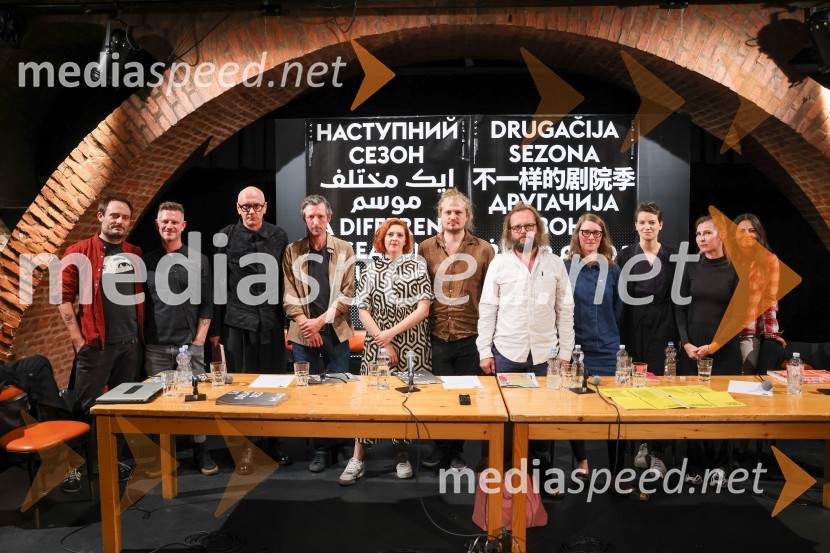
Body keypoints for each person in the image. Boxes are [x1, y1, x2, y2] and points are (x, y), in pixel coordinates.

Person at [476, 203, 576, 483]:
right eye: (517, 227)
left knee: (543, 422)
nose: (523, 231)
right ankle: (508, 483)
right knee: (507, 422)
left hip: (546, 357)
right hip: (507, 354)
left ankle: (542, 479)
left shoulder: (555, 263)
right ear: (509, 232)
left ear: (538, 229)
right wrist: (484, 351)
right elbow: (488, 309)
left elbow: (565, 310)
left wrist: (566, 352)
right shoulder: (500, 263)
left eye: (528, 226)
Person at [59, 194, 144, 490]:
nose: (119, 221)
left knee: (120, 406)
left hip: (130, 344)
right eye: (114, 215)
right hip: (96, 346)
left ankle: (112, 459)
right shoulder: (79, 252)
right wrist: (77, 339)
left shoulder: (134, 252)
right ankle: (75, 467)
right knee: (85, 408)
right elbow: (63, 298)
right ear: (101, 216)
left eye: (125, 217)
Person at [339, 219, 433, 486]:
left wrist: (391, 334)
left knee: (406, 401)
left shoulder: (417, 265)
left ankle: (402, 453)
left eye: (400, 235)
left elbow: (423, 308)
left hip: (412, 344)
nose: (394, 238)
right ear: (382, 239)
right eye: (390, 234)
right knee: (368, 399)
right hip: (377, 346)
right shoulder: (370, 267)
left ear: (406, 240)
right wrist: (384, 342)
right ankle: (357, 457)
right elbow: (362, 309)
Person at [210, 186, 290, 472]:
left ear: (265, 207)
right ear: (238, 208)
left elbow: (286, 282)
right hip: (237, 324)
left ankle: (272, 442)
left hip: (271, 323)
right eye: (245, 207)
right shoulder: (225, 236)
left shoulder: (279, 236)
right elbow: (218, 284)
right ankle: (242, 449)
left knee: (273, 385)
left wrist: (287, 323)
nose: (251, 211)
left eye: (256, 206)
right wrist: (215, 330)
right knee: (239, 389)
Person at [419, 189, 494, 471]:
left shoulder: (484, 249)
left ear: (467, 216)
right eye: (448, 212)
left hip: (470, 335)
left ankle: (457, 452)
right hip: (436, 334)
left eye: (458, 212)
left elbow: (490, 297)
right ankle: (440, 447)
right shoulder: (425, 248)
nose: (453, 216)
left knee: (464, 396)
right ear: (440, 215)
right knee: (439, 396)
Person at [143, 202, 217, 476]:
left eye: (174, 221)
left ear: (183, 225)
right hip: (156, 346)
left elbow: (207, 303)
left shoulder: (198, 260)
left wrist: (199, 340)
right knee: (157, 401)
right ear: (157, 224)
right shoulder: (146, 261)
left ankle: (201, 449)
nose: (169, 226)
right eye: (165, 221)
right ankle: (161, 453)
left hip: (190, 345)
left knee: (196, 398)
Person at [283, 195, 355, 473]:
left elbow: (348, 294)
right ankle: (321, 450)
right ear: (304, 219)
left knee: (339, 391)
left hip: (335, 331)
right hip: (303, 332)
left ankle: (341, 445)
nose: (316, 221)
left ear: (329, 218)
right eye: (311, 216)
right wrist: (307, 325)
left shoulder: (345, 249)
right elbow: (288, 294)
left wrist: (320, 323)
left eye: (320, 216)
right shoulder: (292, 250)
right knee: (310, 393)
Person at [565, 214, 636, 496]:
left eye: (596, 233)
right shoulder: (566, 268)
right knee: (575, 411)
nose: (591, 237)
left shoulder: (614, 270)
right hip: (576, 350)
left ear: (603, 237)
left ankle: (617, 471)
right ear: (577, 235)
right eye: (585, 232)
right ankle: (582, 463)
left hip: (608, 348)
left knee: (616, 412)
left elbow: (620, 311)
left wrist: (613, 339)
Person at [675, 214, 741, 486]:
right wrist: (686, 343)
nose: (701, 238)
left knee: (723, 409)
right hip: (692, 349)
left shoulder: (735, 269)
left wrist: (714, 346)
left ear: (721, 235)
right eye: (698, 234)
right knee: (693, 408)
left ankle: (721, 466)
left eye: (707, 233)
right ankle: (696, 465)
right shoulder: (690, 267)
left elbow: (738, 315)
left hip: (724, 349)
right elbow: (679, 308)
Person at [617, 201, 676, 478]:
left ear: (660, 225)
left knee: (660, 390)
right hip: (632, 326)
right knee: (635, 389)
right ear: (636, 226)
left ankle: (658, 453)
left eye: (652, 222)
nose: (647, 226)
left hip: (663, 327)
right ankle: (641, 444)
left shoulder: (672, 256)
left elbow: (678, 298)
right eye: (642, 222)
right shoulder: (625, 254)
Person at [730, 214, 785, 374]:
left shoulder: (769, 260)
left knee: (744, 377)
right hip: (720, 332)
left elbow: (769, 300)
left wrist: (772, 333)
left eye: (752, 230)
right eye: (741, 231)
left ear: (758, 234)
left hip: (748, 332)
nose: (747, 235)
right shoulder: (726, 257)